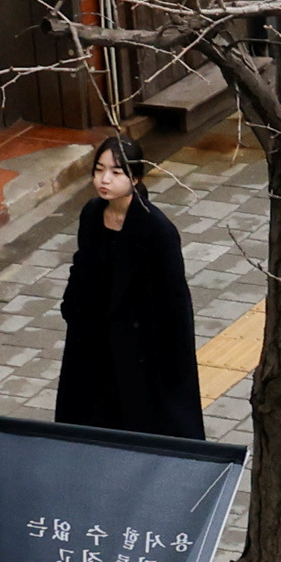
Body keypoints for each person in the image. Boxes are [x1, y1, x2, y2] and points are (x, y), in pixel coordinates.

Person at [44, 136, 209, 437]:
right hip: (94, 340)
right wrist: (72, 309)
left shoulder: (157, 230)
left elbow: (174, 303)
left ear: (135, 178)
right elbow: (82, 266)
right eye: (99, 170)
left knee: (137, 427)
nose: (104, 179)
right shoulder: (92, 214)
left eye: (116, 172)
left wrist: (174, 364)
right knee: (88, 423)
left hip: (139, 349)